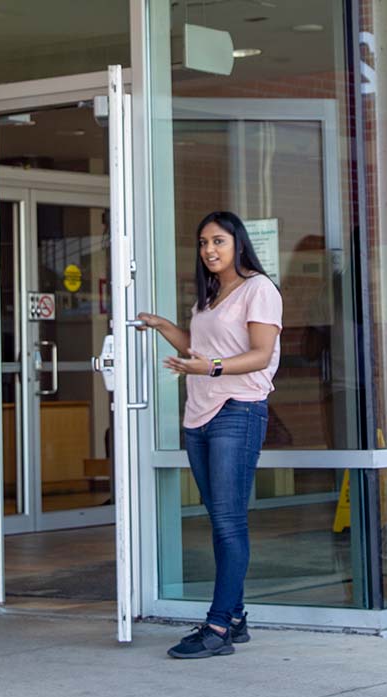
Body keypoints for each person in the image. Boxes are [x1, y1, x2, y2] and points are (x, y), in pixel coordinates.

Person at [137, 210, 283, 659]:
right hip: (199, 415)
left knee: (229, 520)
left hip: (237, 411)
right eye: (203, 243)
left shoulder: (259, 289)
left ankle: (218, 627)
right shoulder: (211, 296)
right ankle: (235, 618)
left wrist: (211, 368)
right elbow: (200, 351)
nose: (209, 250)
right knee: (220, 519)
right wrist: (165, 327)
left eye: (218, 241)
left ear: (238, 243)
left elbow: (260, 355)